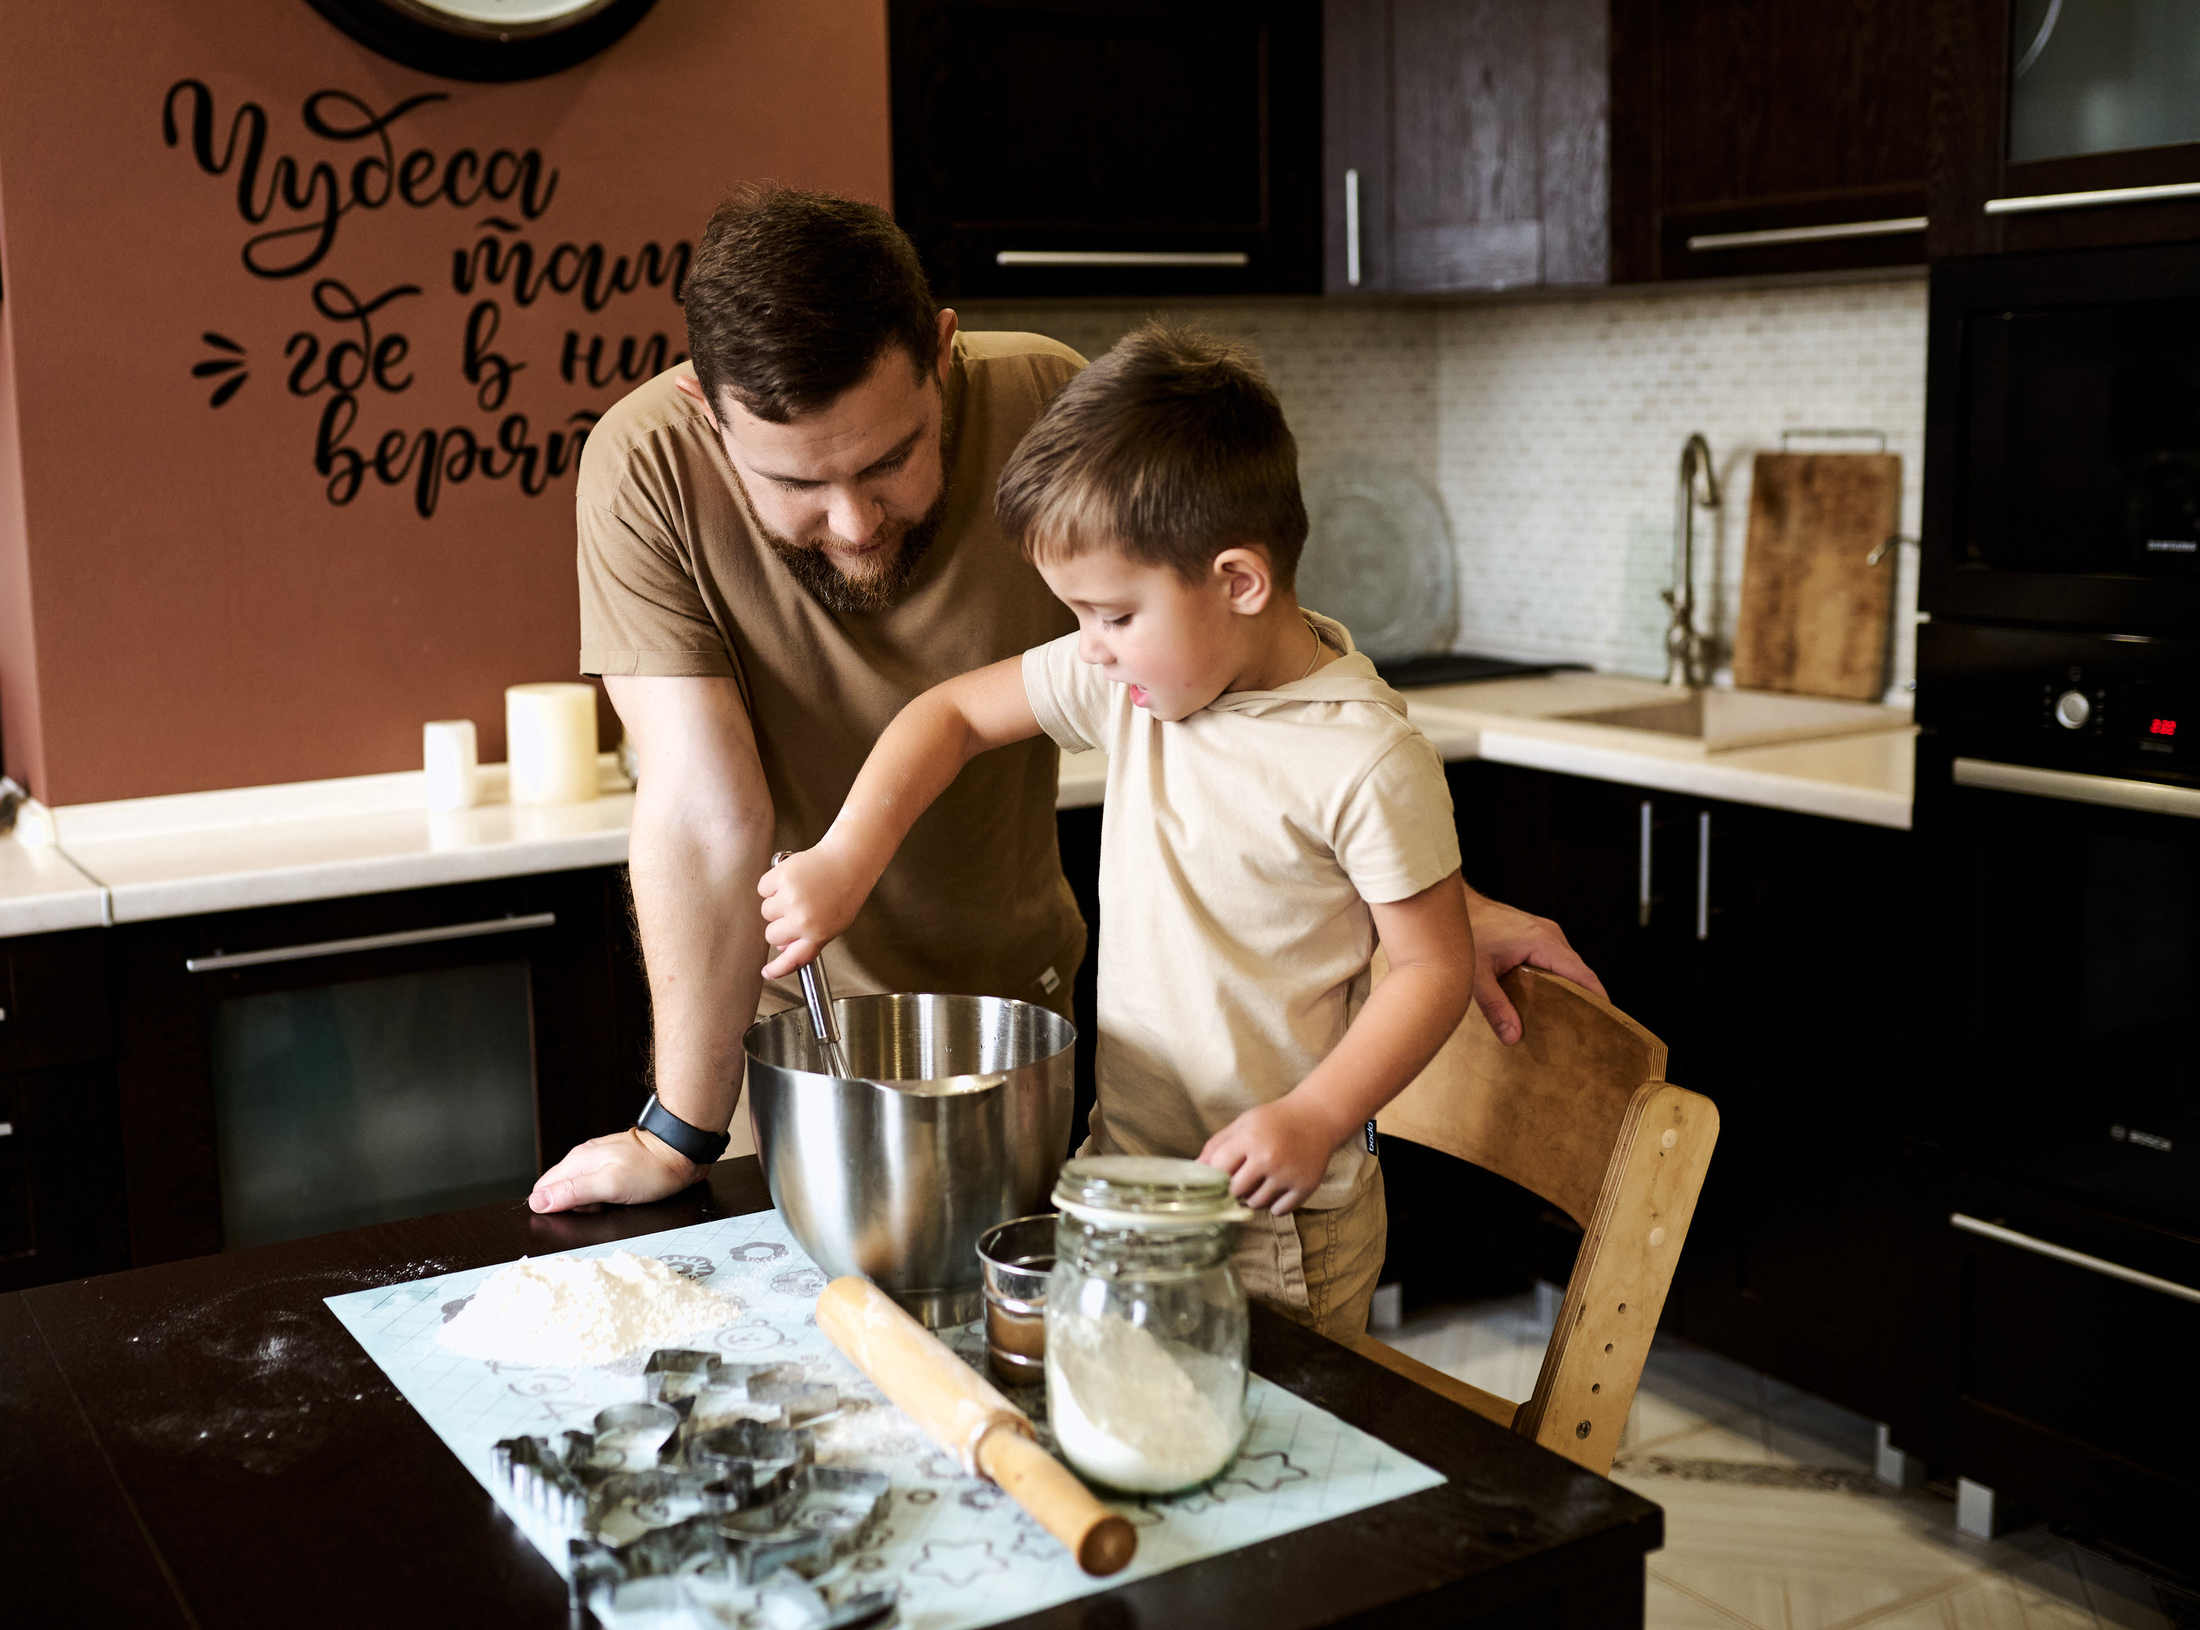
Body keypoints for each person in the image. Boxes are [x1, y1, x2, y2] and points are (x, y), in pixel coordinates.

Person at [528, 185, 1597, 1219]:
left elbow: (1264, 689)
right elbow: (709, 814)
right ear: (703, 412)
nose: (852, 523)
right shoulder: (643, 467)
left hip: (1030, 1034)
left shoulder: (1049, 400)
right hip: (810, 1041)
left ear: (943, 353)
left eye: (891, 459)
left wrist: (1422, 904)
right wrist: (678, 1130)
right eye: (799, 486)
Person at [759, 322, 1470, 1343]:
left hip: (1272, 1227)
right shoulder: (1138, 681)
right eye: (1076, 615)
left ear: (1238, 580)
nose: (1087, 648)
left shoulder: (1361, 756)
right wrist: (841, 860)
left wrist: (1315, 1116)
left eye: (1110, 614)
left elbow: (1429, 969)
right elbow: (949, 716)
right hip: (1119, 1179)